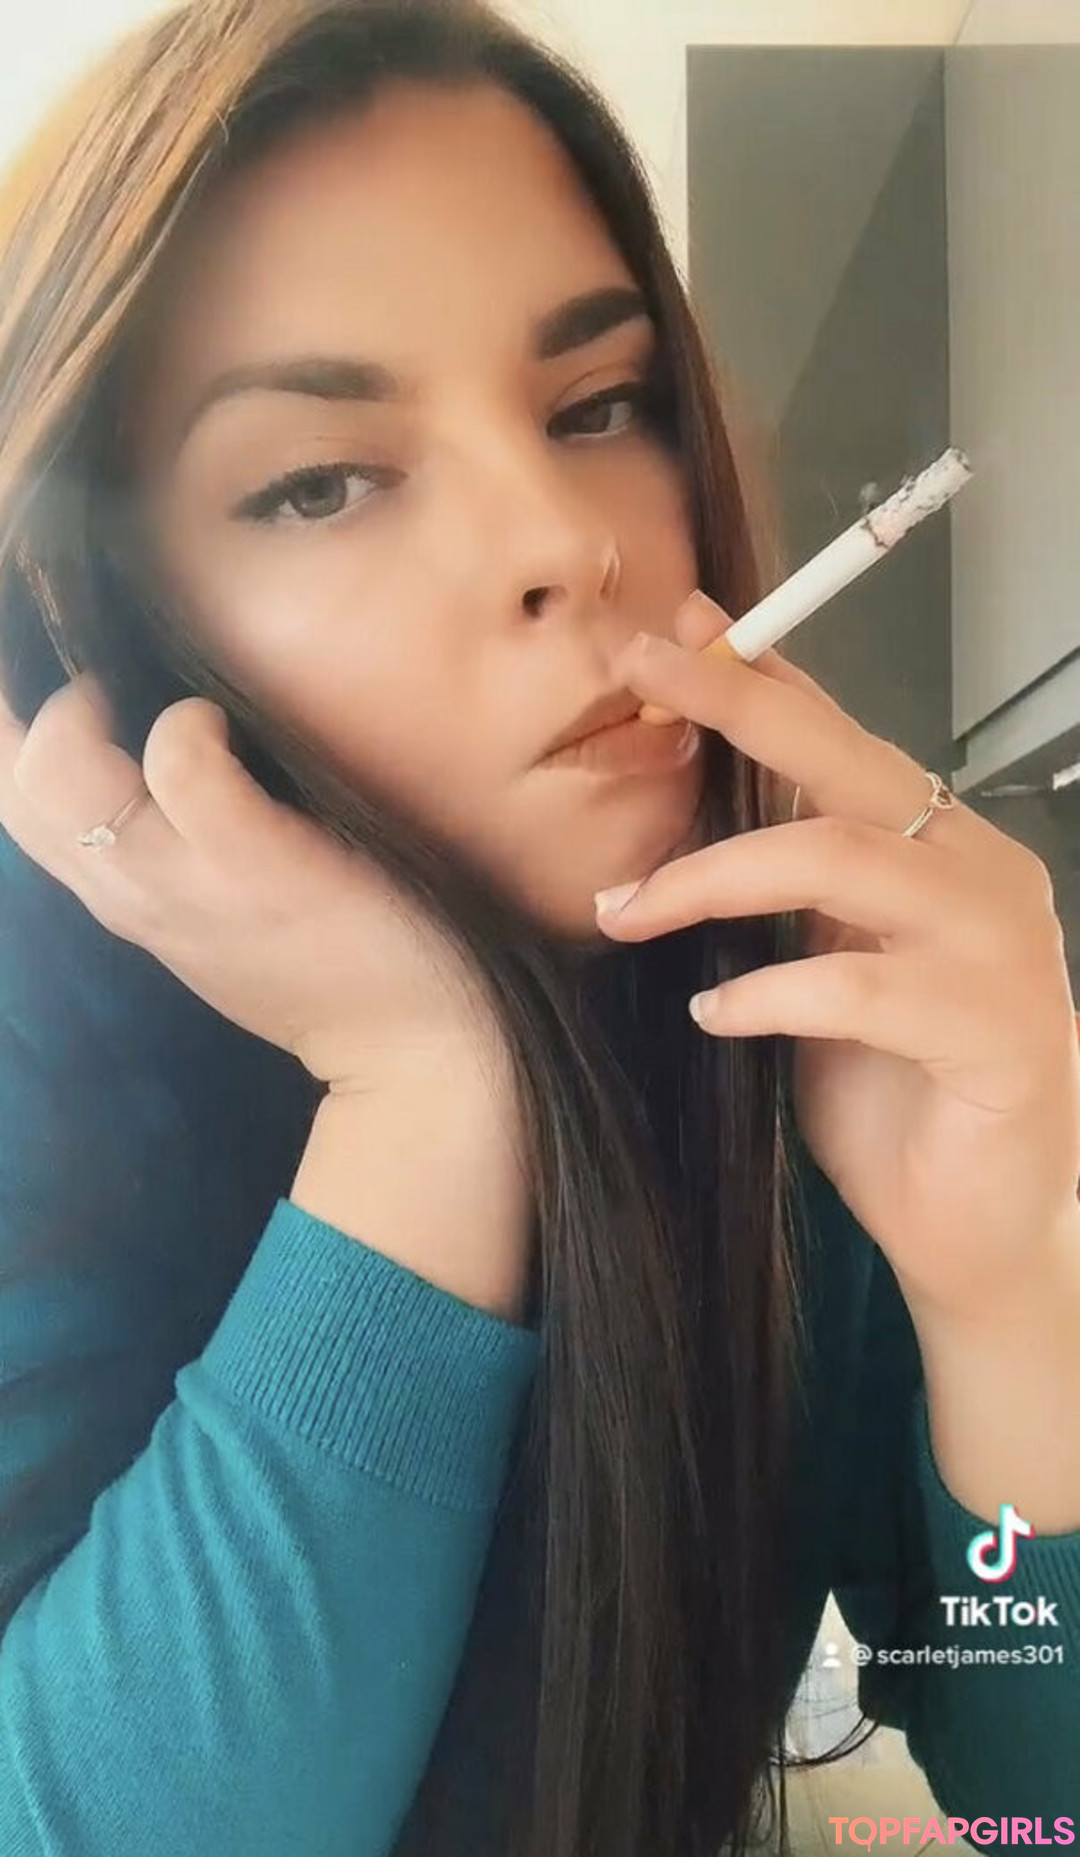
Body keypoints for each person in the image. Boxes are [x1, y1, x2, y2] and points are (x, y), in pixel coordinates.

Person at [0, 2, 1077, 1852]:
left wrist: (1010, 1289)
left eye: (597, 407)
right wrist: (425, 1097)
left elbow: (1045, 1800)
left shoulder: (791, 1045)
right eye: (319, 480)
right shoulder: (34, 1062)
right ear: (103, 617)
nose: (564, 542)